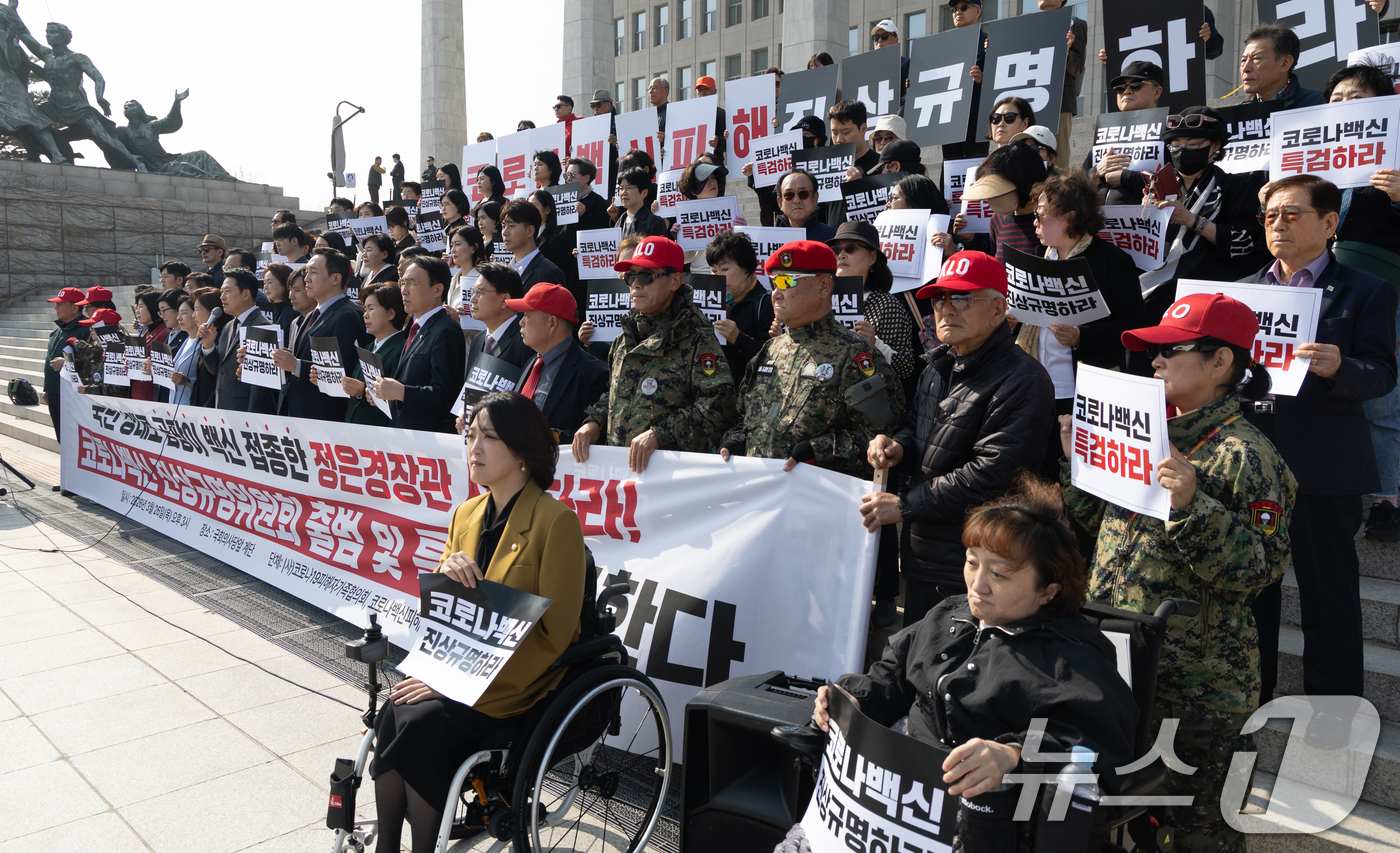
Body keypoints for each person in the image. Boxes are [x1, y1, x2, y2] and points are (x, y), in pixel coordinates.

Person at [1061, 292, 1296, 853]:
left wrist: (1193, 504)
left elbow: (1257, 574)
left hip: (1198, 688)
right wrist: (1079, 467)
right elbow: (1093, 529)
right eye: (1153, 351)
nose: (1156, 361)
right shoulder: (1144, 434)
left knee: (1194, 836)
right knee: (1114, 823)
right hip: (1117, 664)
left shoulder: (1246, 455)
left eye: (1172, 349)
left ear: (1222, 363)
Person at [811, 477, 1137, 842]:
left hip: (989, 823)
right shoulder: (948, 615)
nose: (977, 585)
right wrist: (852, 700)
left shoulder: (1072, 657)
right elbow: (893, 675)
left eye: (999, 573)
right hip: (889, 802)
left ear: (1048, 590)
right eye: (971, 563)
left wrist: (1013, 754)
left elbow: (1100, 753)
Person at [370, 391, 586, 853]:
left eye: (488, 437)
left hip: (516, 678)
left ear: (524, 449)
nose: (474, 448)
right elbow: (449, 611)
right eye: (470, 436)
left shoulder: (556, 522)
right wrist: (448, 570)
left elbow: (554, 635)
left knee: (424, 722)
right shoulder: (465, 513)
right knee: (395, 710)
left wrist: (455, 681)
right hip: (458, 662)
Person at [1239, 176, 1399, 747]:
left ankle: (1331, 718)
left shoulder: (1366, 290)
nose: (1276, 224)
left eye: (1291, 214)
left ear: (1330, 224)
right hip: (1249, 469)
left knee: (1328, 595)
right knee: (1251, 593)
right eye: (1269, 216)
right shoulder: (1238, 292)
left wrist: (1340, 369)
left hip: (1324, 468)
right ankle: (1246, 704)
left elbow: (1382, 374)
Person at [866, 251, 1054, 624]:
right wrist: (898, 445)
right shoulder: (940, 365)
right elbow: (917, 425)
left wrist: (904, 506)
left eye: (963, 298)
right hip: (927, 557)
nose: (947, 309)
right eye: (940, 298)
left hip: (982, 568)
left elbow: (991, 475)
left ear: (998, 309)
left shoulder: (1024, 379)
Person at [721, 240, 904, 479]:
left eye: (786, 281)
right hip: (761, 496)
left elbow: (883, 438)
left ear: (823, 286)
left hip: (817, 502)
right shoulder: (769, 350)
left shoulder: (855, 353)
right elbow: (742, 416)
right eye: (773, 283)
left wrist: (817, 451)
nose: (775, 293)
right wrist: (735, 441)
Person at [1318, 63, 1400, 540]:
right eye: (1337, 99)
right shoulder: (1313, 159)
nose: (1344, 105)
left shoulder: (1393, 161)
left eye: (1356, 97)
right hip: (1321, 287)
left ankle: (1389, 497)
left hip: (1380, 288)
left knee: (1381, 398)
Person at [572, 236, 737, 473]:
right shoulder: (624, 338)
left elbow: (719, 408)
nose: (635, 285)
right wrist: (593, 423)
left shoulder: (697, 339)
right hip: (620, 475)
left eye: (646, 276)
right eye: (630, 276)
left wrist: (660, 434)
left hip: (668, 482)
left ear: (674, 281)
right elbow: (614, 394)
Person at [1024, 168, 1150, 473]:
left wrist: (1083, 336)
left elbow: (1135, 325)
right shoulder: (1040, 257)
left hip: (1084, 392)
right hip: (1036, 388)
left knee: (1078, 473)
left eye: (1040, 214)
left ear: (1068, 218)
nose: (1034, 222)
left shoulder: (1112, 261)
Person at [829, 221, 923, 627]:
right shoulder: (820, 297)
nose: (843, 255)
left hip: (873, 422)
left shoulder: (885, 304)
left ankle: (884, 594)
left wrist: (876, 343)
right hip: (832, 417)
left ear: (874, 258)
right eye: (838, 249)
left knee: (874, 507)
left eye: (853, 248)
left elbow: (906, 366)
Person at [1138, 106, 1271, 317]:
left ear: (1215, 146)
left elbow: (1245, 243)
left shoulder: (1234, 186)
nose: (1182, 150)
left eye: (1192, 145)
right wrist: (1148, 216)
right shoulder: (1159, 186)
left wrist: (1191, 220)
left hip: (1207, 294)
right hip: (1158, 291)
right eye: (1176, 145)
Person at [369, 257, 466, 434]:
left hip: (427, 439)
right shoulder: (417, 327)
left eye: (411, 283)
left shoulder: (446, 330)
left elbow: (445, 395)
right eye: (402, 282)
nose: (403, 291)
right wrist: (389, 395)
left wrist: (402, 392)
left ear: (437, 289)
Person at [508, 284, 608, 441]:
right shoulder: (533, 361)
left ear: (552, 323)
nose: (521, 322)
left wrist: (538, 437)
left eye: (527, 315)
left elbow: (593, 438)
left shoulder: (592, 374)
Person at [276, 248, 363, 421]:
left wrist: (297, 365)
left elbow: (344, 372)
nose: (306, 278)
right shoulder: (310, 315)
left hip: (324, 417)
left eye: (313, 273)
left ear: (336, 278)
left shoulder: (346, 316)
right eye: (307, 272)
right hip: (299, 413)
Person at [1087, 61, 1167, 205]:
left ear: (1156, 92)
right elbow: (1079, 181)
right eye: (1120, 87)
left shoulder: (1168, 131)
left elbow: (1178, 182)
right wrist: (1097, 171)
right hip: (1099, 222)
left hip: (1143, 221)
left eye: (1136, 85)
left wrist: (1127, 178)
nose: (1126, 91)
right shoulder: (1106, 132)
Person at [954, 143, 1047, 262]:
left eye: (997, 191)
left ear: (1022, 182)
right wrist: (971, 239)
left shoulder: (1050, 221)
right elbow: (993, 264)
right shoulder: (997, 221)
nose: (989, 199)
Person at [202, 269, 276, 414]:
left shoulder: (262, 327)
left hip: (246, 414)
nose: (222, 297)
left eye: (227, 291)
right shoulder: (229, 326)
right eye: (221, 292)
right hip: (224, 409)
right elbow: (219, 370)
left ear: (246, 294)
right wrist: (208, 345)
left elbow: (262, 388)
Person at [339, 282, 408, 426]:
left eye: (371, 308)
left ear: (391, 313)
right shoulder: (369, 346)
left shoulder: (402, 348)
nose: (365, 315)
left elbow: (395, 399)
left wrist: (361, 391)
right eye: (365, 309)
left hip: (378, 432)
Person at [708, 231, 773, 380]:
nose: (718, 277)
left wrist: (738, 338)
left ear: (747, 269)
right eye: (713, 271)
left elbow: (772, 359)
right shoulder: (709, 303)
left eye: (725, 269)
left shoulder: (766, 304)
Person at [671, 162, 742, 274]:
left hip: (728, 274)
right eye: (705, 179)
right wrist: (679, 240)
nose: (712, 182)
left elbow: (745, 249)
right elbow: (685, 259)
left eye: (713, 177)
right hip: (699, 277)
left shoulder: (732, 209)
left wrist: (743, 231)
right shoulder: (687, 214)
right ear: (694, 190)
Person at [1038, 0, 1086, 163]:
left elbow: (1078, 68)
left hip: (1060, 102)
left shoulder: (1076, 25)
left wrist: (1065, 51)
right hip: (1030, 98)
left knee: (1058, 161)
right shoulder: (1027, 25)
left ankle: (1059, 190)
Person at [943, 0, 991, 162]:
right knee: (950, 168)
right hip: (950, 115)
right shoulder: (944, 45)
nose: (958, 12)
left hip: (976, 117)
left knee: (975, 166)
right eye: (954, 9)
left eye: (964, 7)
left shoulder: (989, 41)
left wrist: (982, 78)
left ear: (978, 12)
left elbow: (1001, 81)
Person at [1240, 23, 1326, 109]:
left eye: (1256, 58)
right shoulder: (1234, 116)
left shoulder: (1320, 105)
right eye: (1243, 60)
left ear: (1285, 63)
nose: (1245, 68)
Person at [466, 263, 533, 371]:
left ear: (504, 299)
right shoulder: (478, 340)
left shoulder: (526, 341)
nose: (472, 299)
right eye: (473, 292)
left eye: (479, 292)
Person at [824, 100, 878, 226]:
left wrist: (860, 187)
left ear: (863, 129)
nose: (839, 139)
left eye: (846, 132)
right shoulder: (827, 166)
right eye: (834, 133)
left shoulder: (880, 165)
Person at [43, 287, 86, 440]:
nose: (56, 308)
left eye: (60, 304)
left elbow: (93, 363)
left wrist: (68, 364)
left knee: (74, 440)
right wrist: (48, 388)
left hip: (73, 394)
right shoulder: (57, 332)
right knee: (62, 438)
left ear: (75, 307)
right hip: (55, 392)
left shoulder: (86, 330)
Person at [500, 200, 567, 295]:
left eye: (511, 226)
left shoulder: (548, 272)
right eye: (503, 226)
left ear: (530, 231)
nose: (505, 233)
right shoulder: (505, 271)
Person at [529, 189, 581, 310]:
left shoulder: (556, 240)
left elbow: (558, 276)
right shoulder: (526, 238)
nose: (530, 210)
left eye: (534, 205)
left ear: (547, 209)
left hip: (546, 301)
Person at [129, 289, 168, 402]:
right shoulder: (148, 331)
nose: (137, 311)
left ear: (152, 307)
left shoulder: (164, 332)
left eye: (141, 306)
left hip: (151, 397)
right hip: (139, 394)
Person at [774, 170, 836, 241]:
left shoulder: (833, 238)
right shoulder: (769, 239)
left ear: (815, 198)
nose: (796, 200)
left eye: (803, 193)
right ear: (780, 202)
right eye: (789, 195)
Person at [615, 167, 669, 241]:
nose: (624, 192)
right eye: (621, 188)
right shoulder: (620, 222)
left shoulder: (654, 223)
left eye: (628, 188)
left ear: (644, 193)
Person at [168, 295, 202, 408]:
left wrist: (188, 383)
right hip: (175, 406)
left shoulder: (205, 344)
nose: (178, 318)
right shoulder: (186, 340)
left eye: (183, 313)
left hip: (192, 408)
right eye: (178, 313)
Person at [869, 20, 910, 114]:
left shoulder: (906, 64)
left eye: (884, 36)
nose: (879, 40)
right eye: (876, 38)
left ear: (896, 40)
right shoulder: (867, 69)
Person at [447, 226, 488, 318]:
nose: (453, 250)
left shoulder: (482, 279)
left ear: (473, 248)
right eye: (451, 245)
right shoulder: (454, 278)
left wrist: (460, 320)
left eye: (457, 244)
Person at [563, 157, 611, 231]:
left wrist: (584, 215)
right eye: (566, 175)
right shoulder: (563, 200)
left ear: (586, 178)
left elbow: (605, 230)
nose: (568, 179)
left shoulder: (597, 201)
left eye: (572, 174)